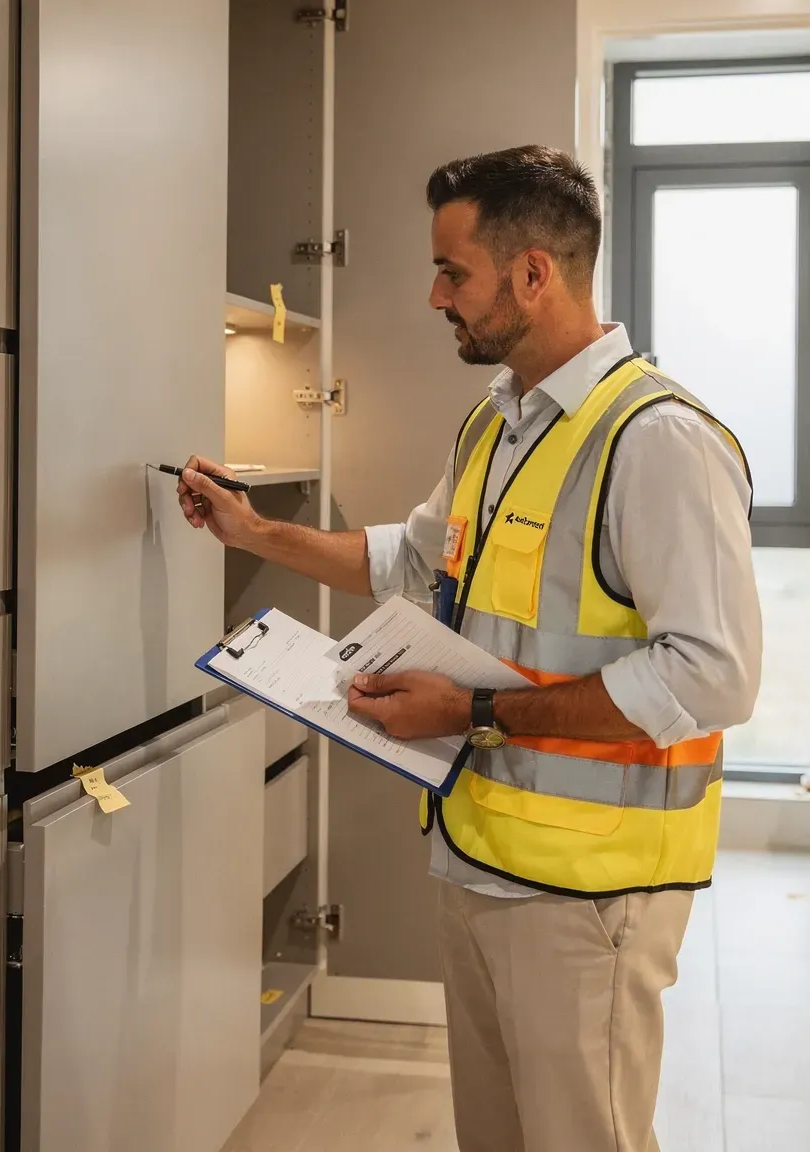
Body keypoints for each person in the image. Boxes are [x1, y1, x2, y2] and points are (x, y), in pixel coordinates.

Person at [177, 144, 761, 1152]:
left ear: (532, 274)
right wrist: (252, 532)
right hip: (478, 860)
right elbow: (409, 559)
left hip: (590, 899)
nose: (433, 294)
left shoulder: (655, 441)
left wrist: (474, 713)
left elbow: (713, 675)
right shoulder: (495, 426)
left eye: (452, 271)